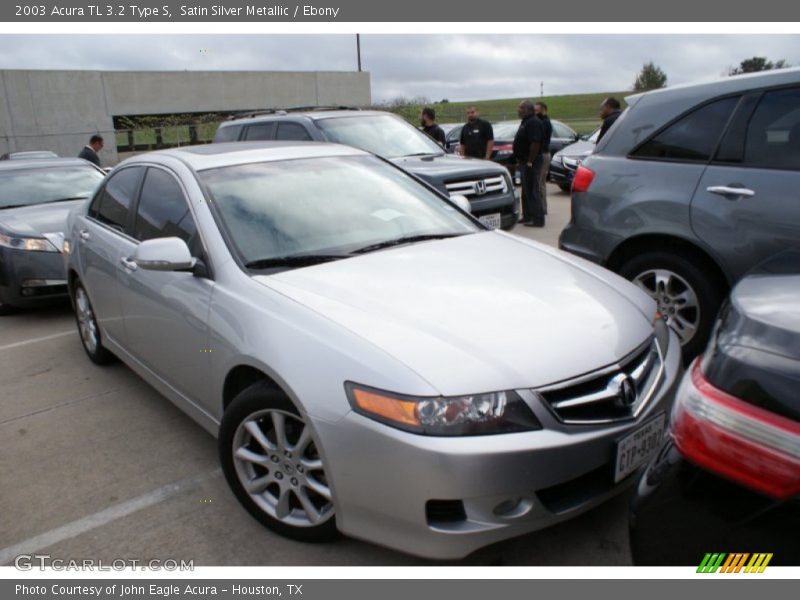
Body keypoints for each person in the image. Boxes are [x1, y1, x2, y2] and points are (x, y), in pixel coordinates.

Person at [513, 100, 545, 227]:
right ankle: (527, 216)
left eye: (521, 108)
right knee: (525, 191)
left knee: (532, 190)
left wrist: (530, 162)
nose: (519, 110)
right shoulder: (525, 122)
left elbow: (535, 143)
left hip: (532, 161)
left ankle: (538, 219)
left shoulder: (534, 122)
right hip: (524, 161)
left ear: (528, 109)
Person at [534, 101, 553, 215]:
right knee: (540, 183)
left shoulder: (545, 122)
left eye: (537, 110)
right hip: (543, 154)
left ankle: (541, 208)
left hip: (543, 154)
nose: (535, 113)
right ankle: (541, 207)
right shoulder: (542, 121)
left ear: (543, 110)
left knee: (539, 183)